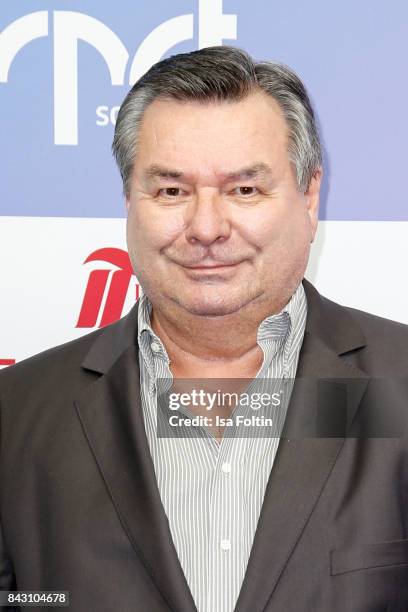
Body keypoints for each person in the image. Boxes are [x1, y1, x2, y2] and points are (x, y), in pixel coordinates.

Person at [1, 45, 408, 612]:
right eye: (172, 191)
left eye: (244, 190)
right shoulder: (15, 413)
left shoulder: (400, 385)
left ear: (310, 196)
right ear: (128, 200)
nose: (207, 228)